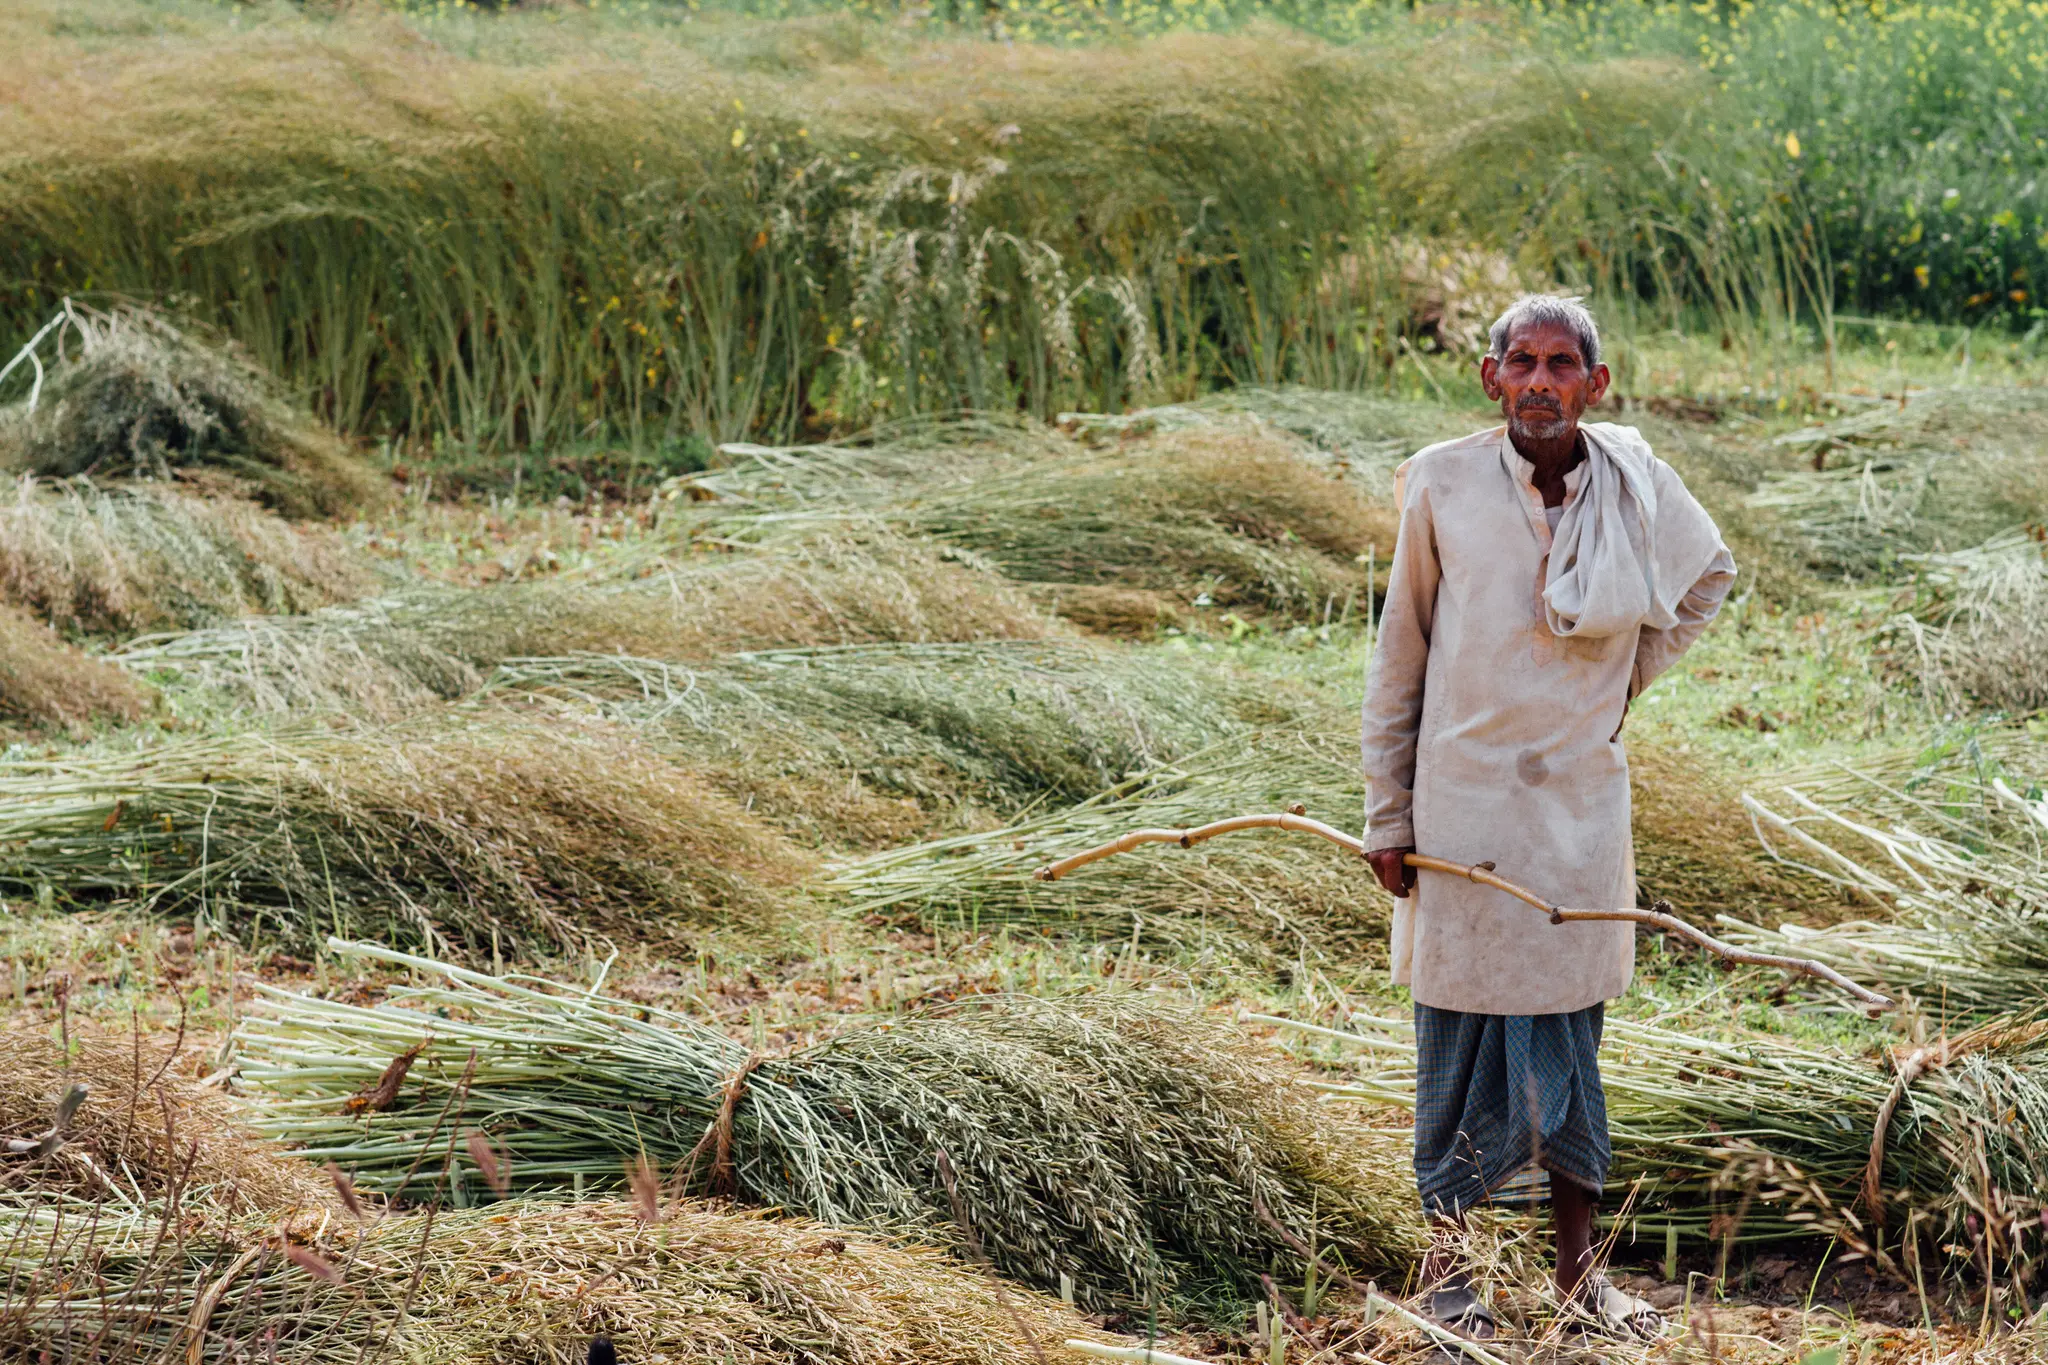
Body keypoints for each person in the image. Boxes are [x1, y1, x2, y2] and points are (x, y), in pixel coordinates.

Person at [1358, 294, 1736, 1343]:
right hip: (1460, 808)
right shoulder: (1438, 482)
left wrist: (1615, 691)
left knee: (1569, 1040)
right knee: (1456, 1038)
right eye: (1518, 363)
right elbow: (1399, 655)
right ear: (1489, 379)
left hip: (1576, 809)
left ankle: (1577, 1277)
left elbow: (1706, 578)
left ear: (1592, 384)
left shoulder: (1633, 480)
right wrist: (1386, 814)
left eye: (1559, 364)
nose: (1537, 382)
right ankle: (1447, 1276)